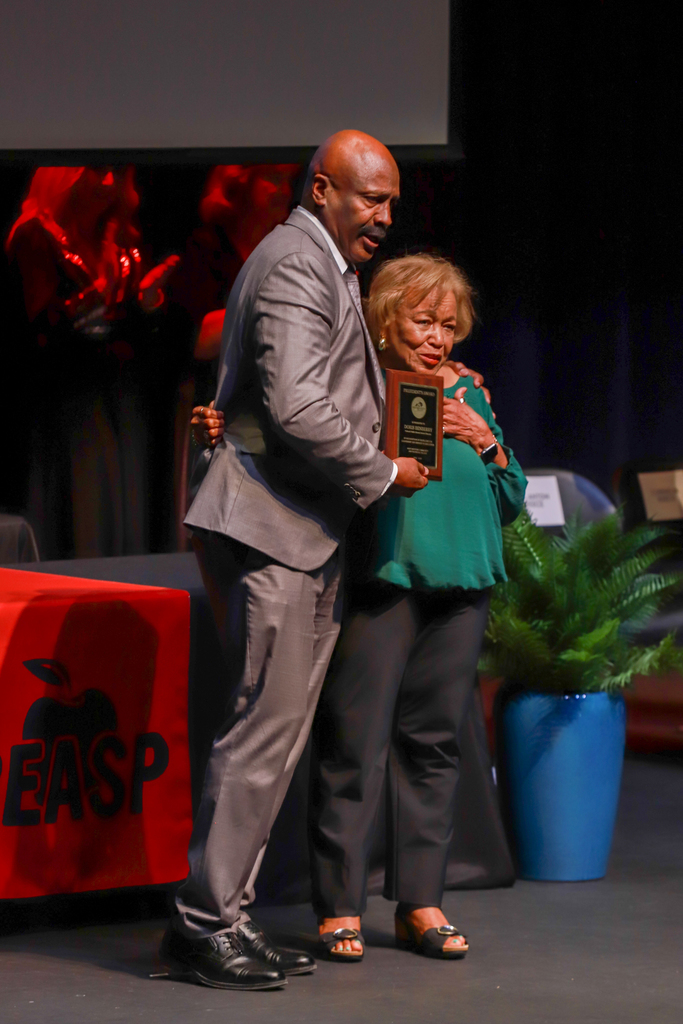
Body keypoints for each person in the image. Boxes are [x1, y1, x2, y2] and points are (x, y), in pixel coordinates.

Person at [160, 130, 428, 992]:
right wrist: (381, 472)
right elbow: (297, 406)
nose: (383, 217)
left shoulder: (328, 265)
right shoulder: (293, 263)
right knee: (260, 731)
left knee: (276, 736)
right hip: (269, 528)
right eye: (370, 199)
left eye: (390, 203)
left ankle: (226, 914)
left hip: (302, 528)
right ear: (321, 190)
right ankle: (205, 925)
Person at [306, 254, 527, 962]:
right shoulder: (360, 384)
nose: (437, 338)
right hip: (388, 582)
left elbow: (511, 498)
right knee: (354, 744)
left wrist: (482, 438)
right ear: (384, 318)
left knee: (433, 746)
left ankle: (421, 902)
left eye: (447, 326)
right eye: (422, 321)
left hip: (465, 585)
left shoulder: (467, 391)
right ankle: (339, 907)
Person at [5, 166, 179, 558]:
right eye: (96, 171)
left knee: (122, 521)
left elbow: (143, 348)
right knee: (77, 522)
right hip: (66, 412)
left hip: (120, 406)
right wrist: (85, 309)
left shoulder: (122, 244)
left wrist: (146, 307)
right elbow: (33, 336)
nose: (108, 183)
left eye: (116, 172)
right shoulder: (37, 236)